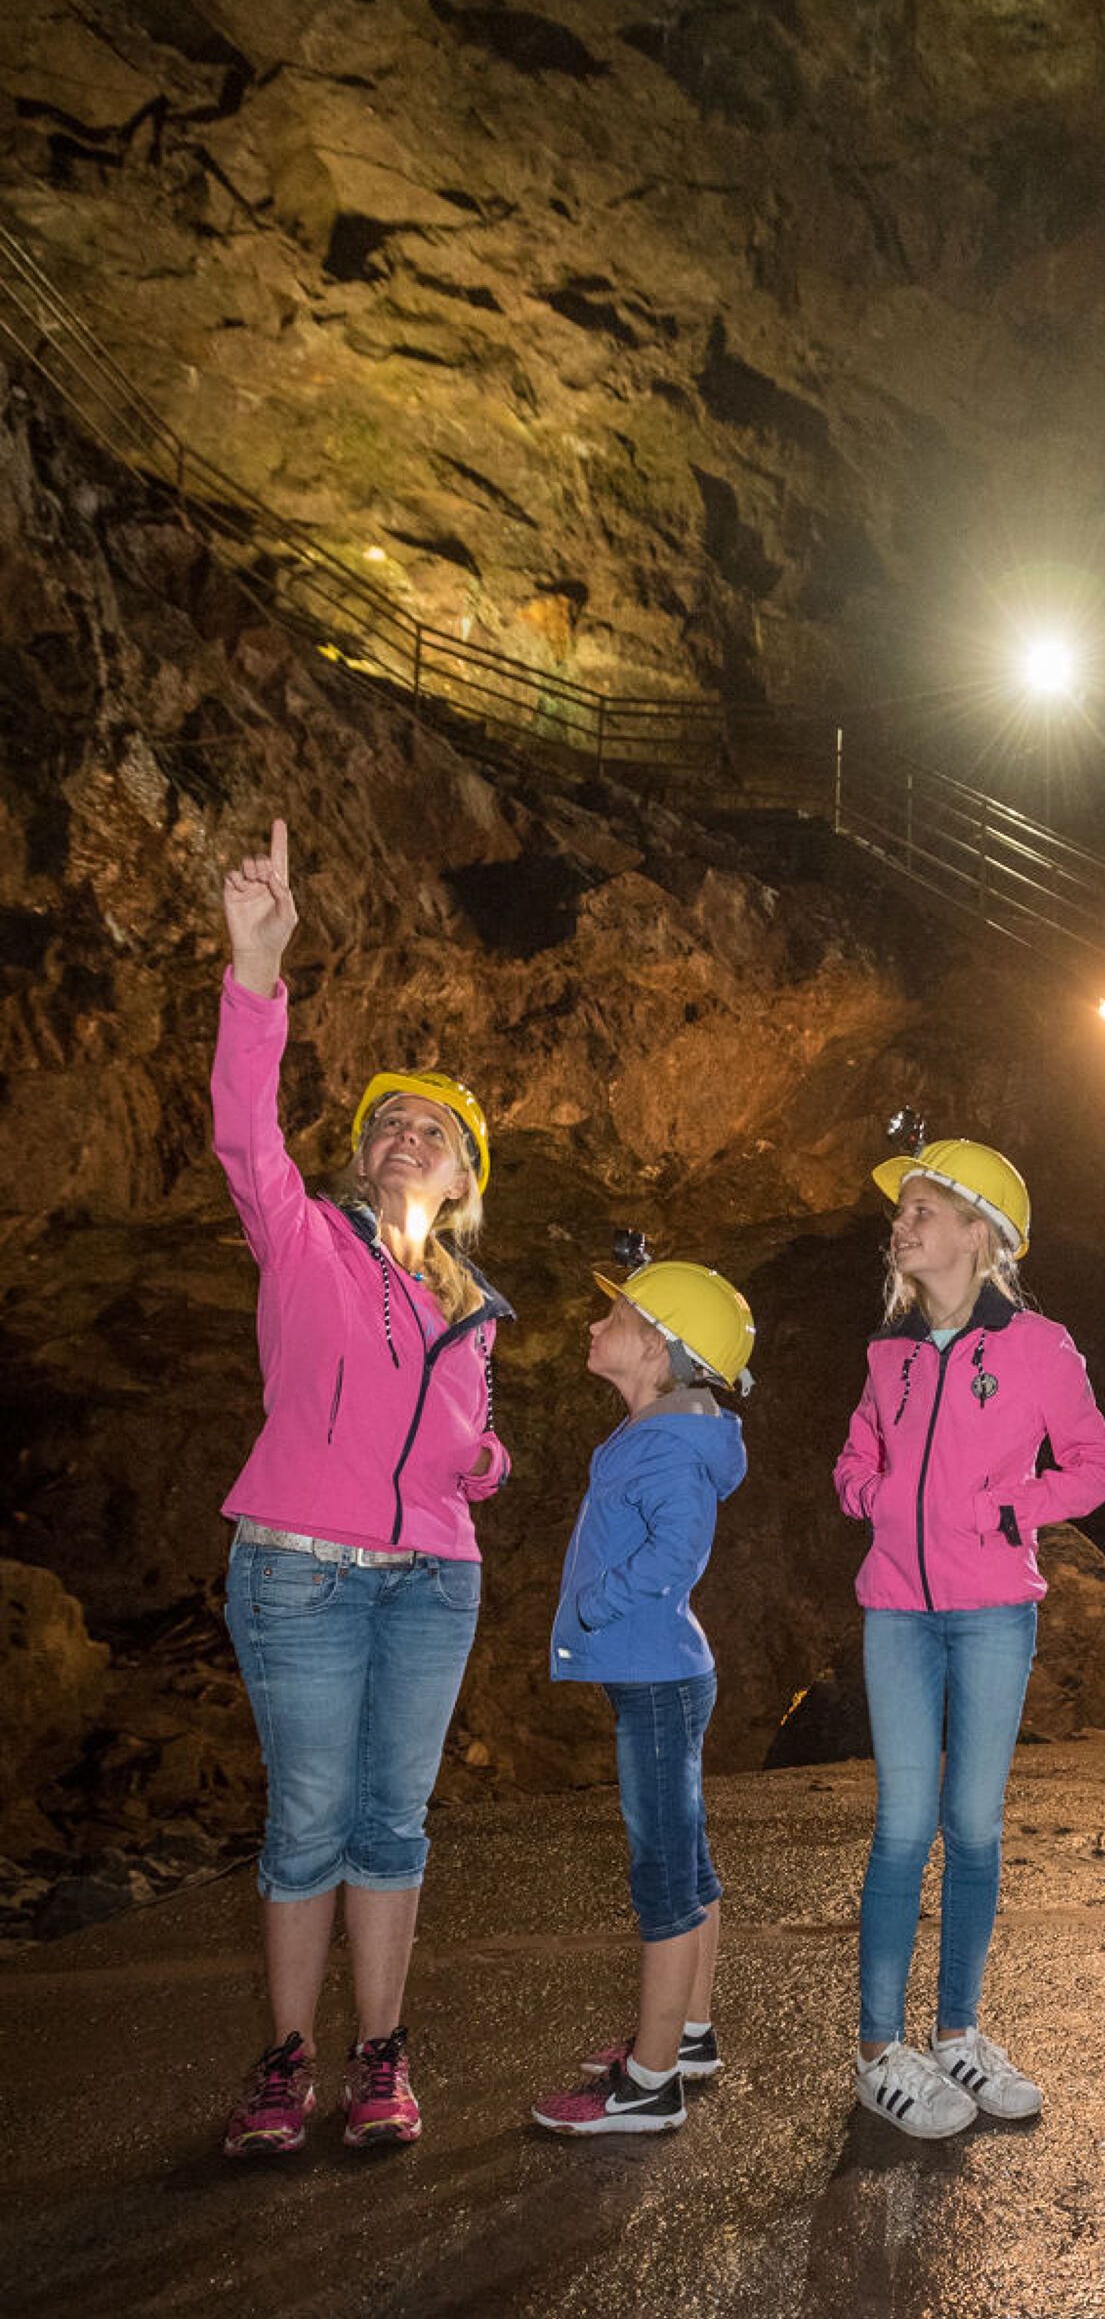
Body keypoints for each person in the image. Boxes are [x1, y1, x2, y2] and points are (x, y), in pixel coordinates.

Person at [214, 818, 511, 2159]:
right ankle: (283, 2064)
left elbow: (464, 1444)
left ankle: (379, 2058)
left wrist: (487, 1459)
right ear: (363, 1159)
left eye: (433, 1131)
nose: (405, 1135)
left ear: (462, 1184)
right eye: (389, 1124)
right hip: (299, 1564)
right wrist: (256, 971)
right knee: (310, 1819)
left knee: (394, 1821)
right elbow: (242, 1129)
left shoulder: (477, 1308)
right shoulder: (303, 1237)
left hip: (435, 1579)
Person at [834, 1139, 1105, 2138]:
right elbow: (854, 1461)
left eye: (921, 1209)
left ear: (975, 1232)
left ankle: (956, 2030)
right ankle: (880, 2051)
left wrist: (1011, 1505)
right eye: (901, 1211)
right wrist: (870, 1495)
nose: (901, 1224)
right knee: (902, 1825)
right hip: (896, 1612)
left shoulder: (1039, 1348)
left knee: (976, 1826)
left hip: (994, 1606)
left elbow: (1095, 1465)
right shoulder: (888, 1353)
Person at [531, 1258, 755, 2137]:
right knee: (687, 1862)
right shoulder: (662, 1433)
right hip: (663, 1675)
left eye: (616, 1315)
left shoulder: (668, 1446)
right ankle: (689, 2034)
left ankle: (649, 2083)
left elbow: (674, 1555)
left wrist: (592, 1603)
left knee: (663, 1875)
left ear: (661, 1352)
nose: (596, 1326)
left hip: (657, 1678)